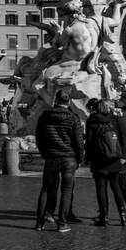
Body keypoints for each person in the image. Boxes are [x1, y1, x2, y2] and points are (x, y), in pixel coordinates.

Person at [34, 88, 84, 232]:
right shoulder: (73, 118)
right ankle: (62, 223)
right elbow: (78, 142)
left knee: (46, 189)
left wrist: (45, 153)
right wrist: (80, 158)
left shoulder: (44, 116)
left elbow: (39, 138)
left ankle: (39, 223)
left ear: (55, 100)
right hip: (69, 159)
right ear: (68, 102)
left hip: (51, 157)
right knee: (66, 190)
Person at [85, 99, 126, 226]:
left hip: (98, 159)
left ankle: (103, 217)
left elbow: (89, 141)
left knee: (101, 188)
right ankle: (123, 216)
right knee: (116, 188)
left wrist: (87, 158)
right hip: (114, 158)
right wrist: (123, 156)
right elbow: (124, 139)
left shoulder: (92, 120)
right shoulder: (115, 120)